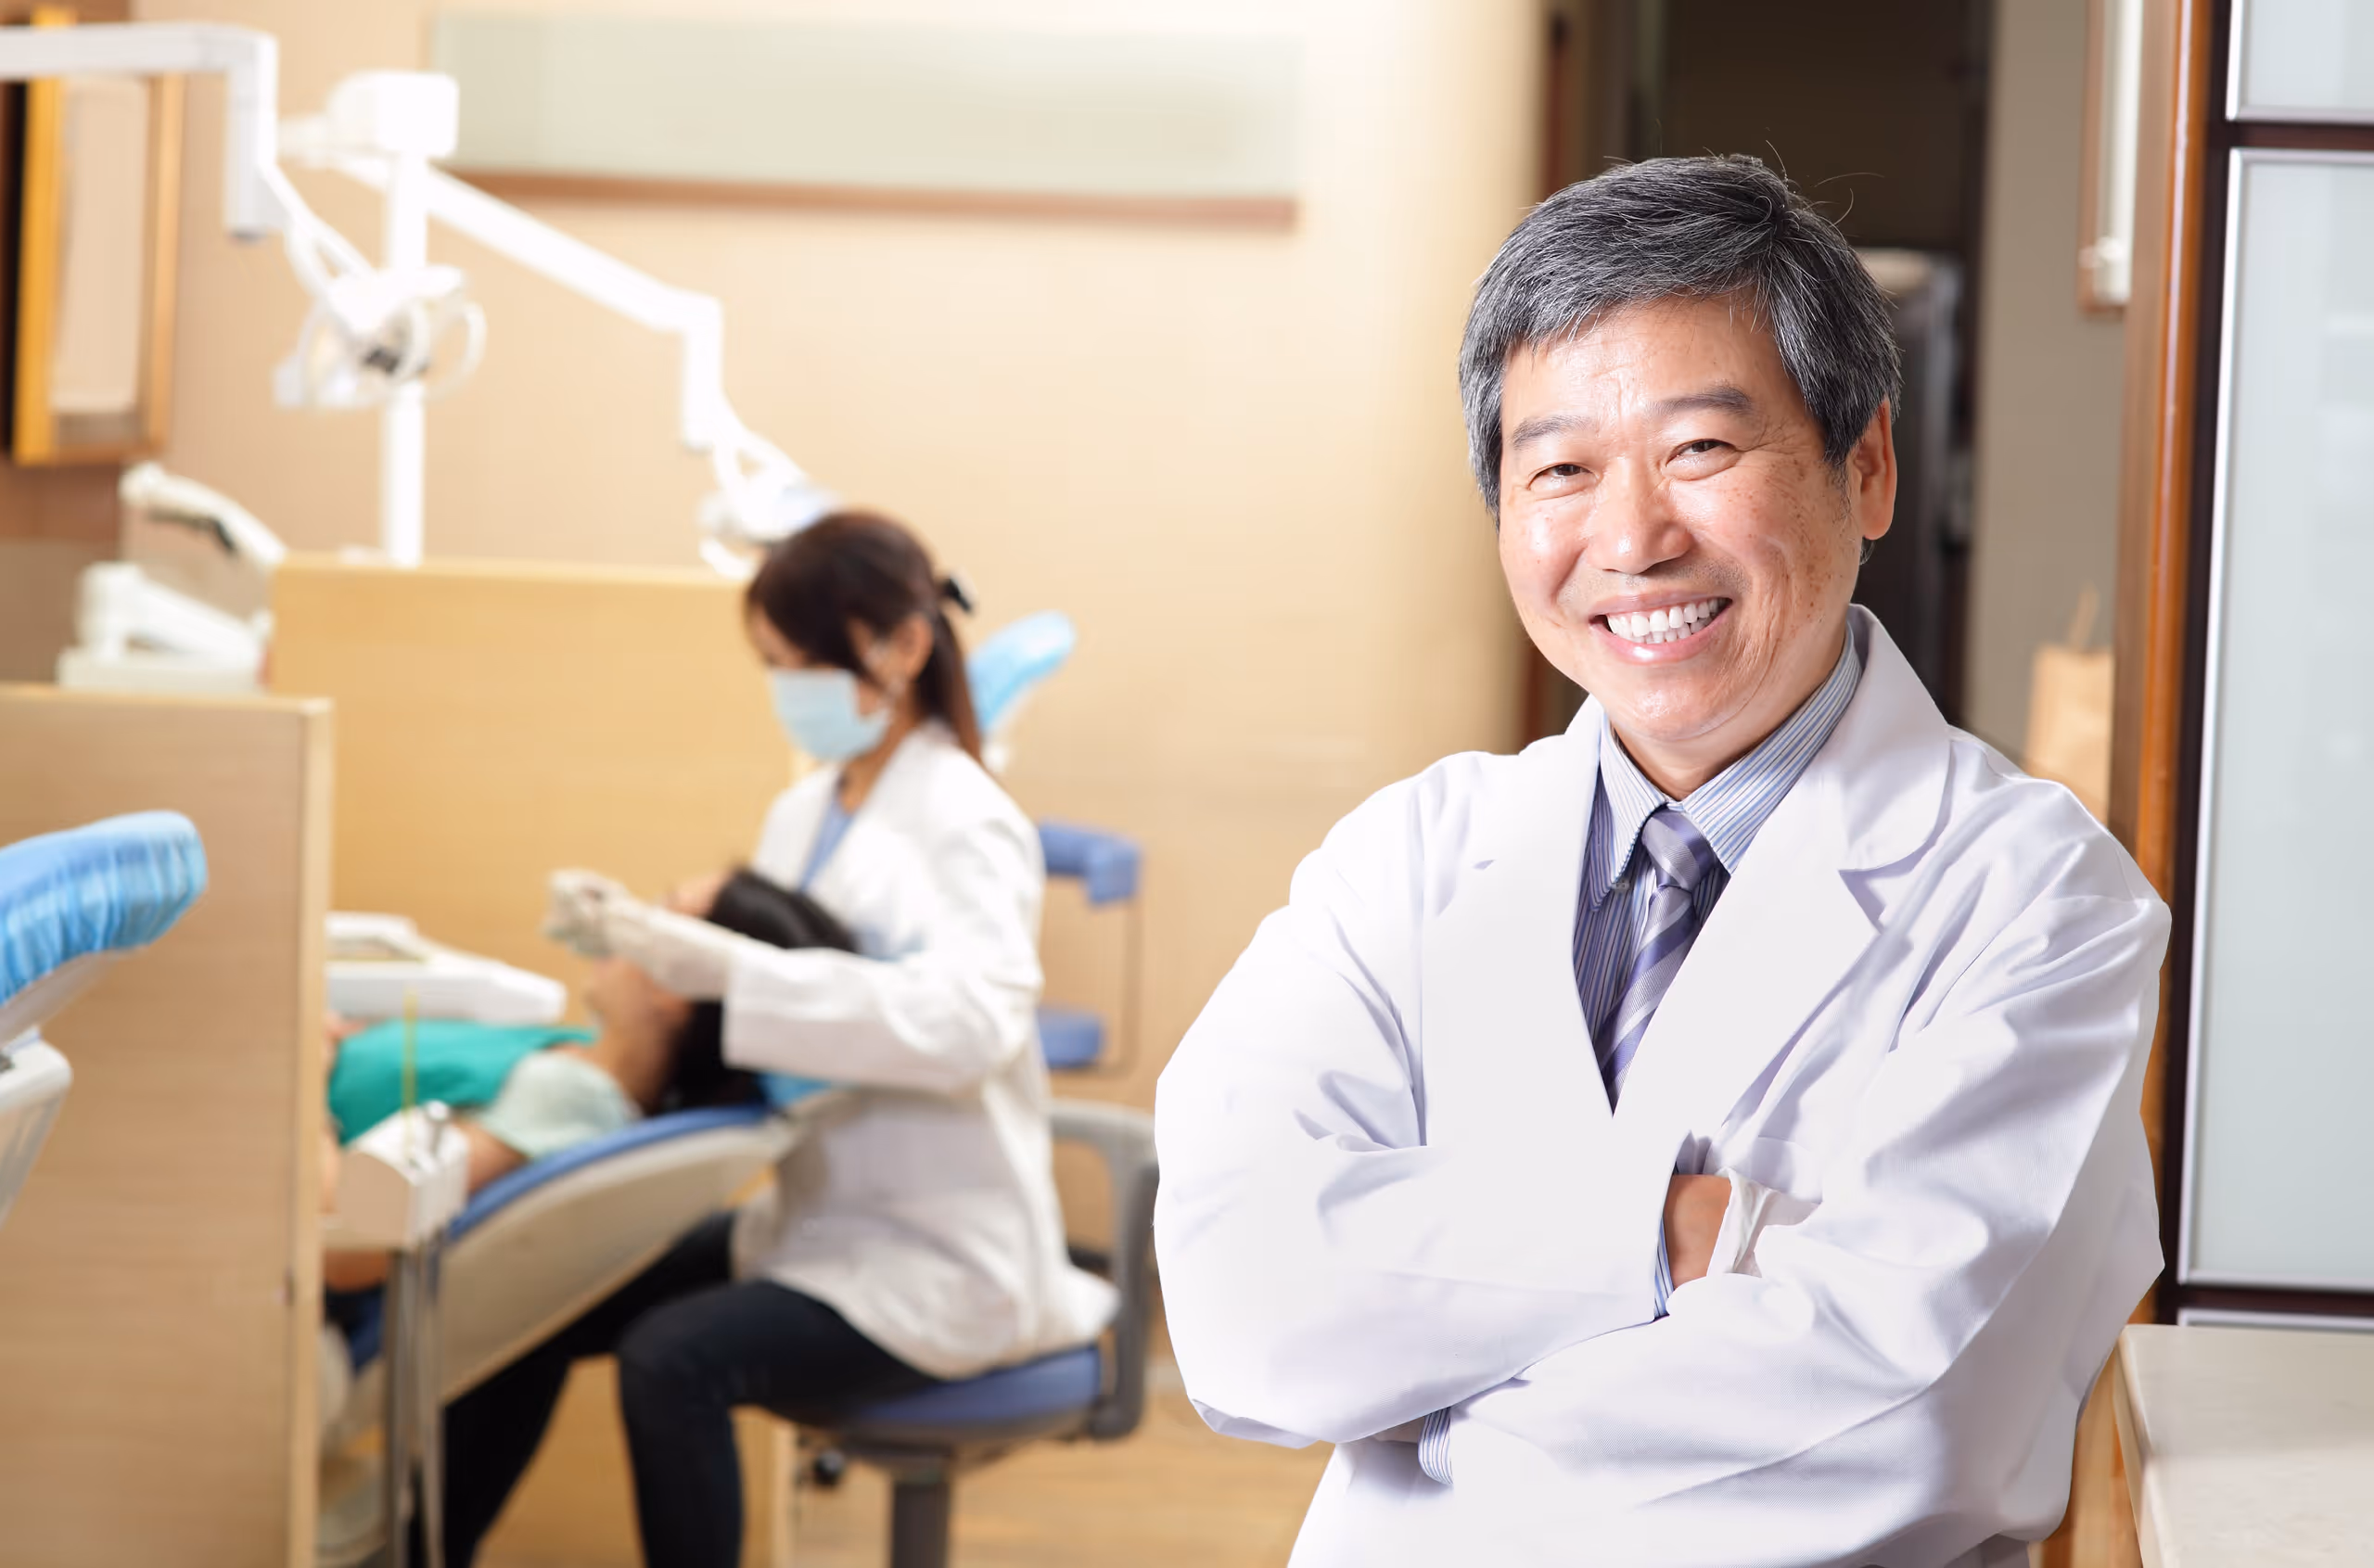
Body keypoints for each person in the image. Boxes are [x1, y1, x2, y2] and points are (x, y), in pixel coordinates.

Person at [1154, 156, 2169, 1567]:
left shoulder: (2040, 902)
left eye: (1701, 450)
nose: (1630, 538)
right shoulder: (1405, 860)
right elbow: (1243, 1304)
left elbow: (1905, 1420)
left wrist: (1426, 1431)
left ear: (1865, 465)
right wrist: (1671, 1228)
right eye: (1560, 468)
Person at [443, 511, 1116, 1568]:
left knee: (672, 1360)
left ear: (900, 644)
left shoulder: (967, 818)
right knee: (527, 1279)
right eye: (772, 664)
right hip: (821, 1220)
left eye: (799, 661)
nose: (786, 686)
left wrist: (721, 967)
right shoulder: (802, 812)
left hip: (933, 1254)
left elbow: (974, 1022)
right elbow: (776, 1004)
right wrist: (654, 964)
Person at [318, 871, 851, 1291]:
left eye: (655, 920)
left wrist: (297, 1083)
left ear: (676, 989)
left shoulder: (568, 1098)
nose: (617, 927)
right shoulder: (574, 1053)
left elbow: (353, 1245)